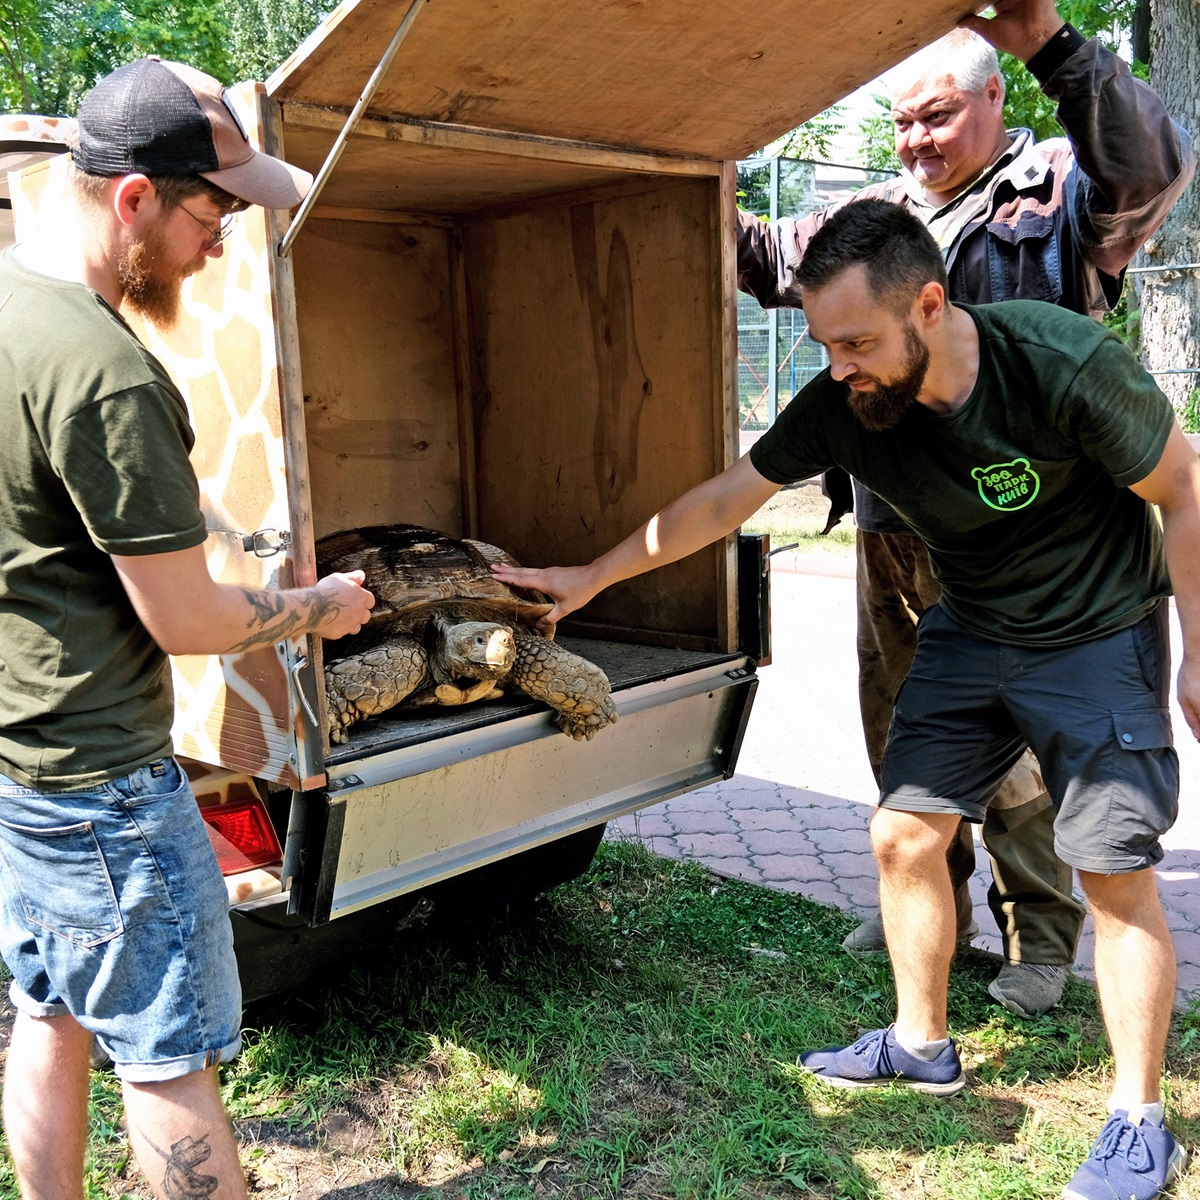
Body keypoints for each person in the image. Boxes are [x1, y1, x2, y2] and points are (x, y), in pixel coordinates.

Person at [492, 199, 1200, 1200]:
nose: (838, 368)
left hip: (1096, 631)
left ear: (929, 306)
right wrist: (591, 578)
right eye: (825, 344)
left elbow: (1183, 489)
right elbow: (724, 498)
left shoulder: (1058, 363)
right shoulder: (849, 402)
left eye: (858, 342)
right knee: (903, 836)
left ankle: (1138, 1120)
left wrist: (1198, 652)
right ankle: (921, 1044)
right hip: (972, 625)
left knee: (1112, 869)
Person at [736, 0, 1196, 1019]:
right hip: (898, 522)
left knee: (1027, 754)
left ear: (995, 99)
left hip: (1033, 530)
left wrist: (1053, 47)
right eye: (902, 121)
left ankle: (1038, 934)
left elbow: (1152, 173)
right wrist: (697, 153)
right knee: (903, 720)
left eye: (937, 115)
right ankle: (926, 898)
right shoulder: (873, 219)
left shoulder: (1055, 192)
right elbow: (761, 256)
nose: (917, 139)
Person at [0, 58, 375, 1199]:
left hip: (21, 765)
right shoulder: (106, 373)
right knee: (168, 1060)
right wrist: (322, 606)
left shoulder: (12, 309)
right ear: (134, 199)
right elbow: (185, 618)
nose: (218, 248)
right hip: (107, 786)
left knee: (48, 1010)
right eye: (212, 219)